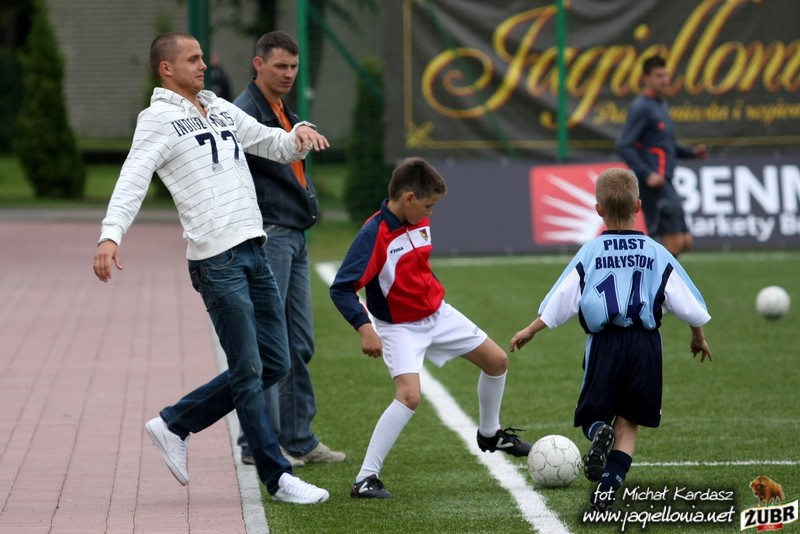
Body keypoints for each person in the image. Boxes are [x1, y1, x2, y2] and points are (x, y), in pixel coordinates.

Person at [92, 32, 331, 505]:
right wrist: (110, 233)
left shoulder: (218, 106)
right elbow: (133, 178)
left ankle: (176, 422)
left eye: (202, 58)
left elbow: (273, 144)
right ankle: (278, 476)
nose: (205, 66)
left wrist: (298, 135)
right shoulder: (157, 119)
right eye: (193, 59)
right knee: (247, 370)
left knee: (275, 361)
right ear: (166, 68)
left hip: (255, 249)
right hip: (216, 261)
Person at [509, 167, 713, 512]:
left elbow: (563, 298)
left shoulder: (591, 252)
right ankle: (605, 492)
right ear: (638, 206)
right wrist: (698, 337)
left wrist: (531, 328)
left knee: (593, 415)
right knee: (629, 423)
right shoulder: (656, 252)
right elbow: (689, 305)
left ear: (598, 209)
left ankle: (600, 430)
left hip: (605, 344)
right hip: (646, 346)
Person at [330, 157, 532, 499]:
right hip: (399, 328)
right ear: (408, 198)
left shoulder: (418, 220)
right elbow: (342, 288)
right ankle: (365, 478)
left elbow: (417, 268)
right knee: (409, 397)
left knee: (497, 361)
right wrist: (365, 328)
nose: (431, 213)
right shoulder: (373, 235)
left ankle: (489, 433)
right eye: (428, 205)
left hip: (439, 315)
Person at [232, 31, 345, 467]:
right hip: (271, 235)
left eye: (294, 67)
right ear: (258, 64)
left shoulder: (283, 110)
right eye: (280, 66)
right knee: (269, 342)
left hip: (294, 235)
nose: (289, 74)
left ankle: (298, 438)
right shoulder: (246, 112)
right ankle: (257, 443)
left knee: (299, 342)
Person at [617, 55, 709, 257]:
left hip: (666, 180)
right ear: (646, 79)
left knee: (684, 241)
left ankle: (657, 274)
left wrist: (691, 153)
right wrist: (647, 173)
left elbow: (665, 146)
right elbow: (624, 145)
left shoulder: (661, 106)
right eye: (659, 76)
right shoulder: (642, 107)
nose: (665, 80)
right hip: (653, 185)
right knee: (672, 243)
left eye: (666, 75)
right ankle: (648, 275)